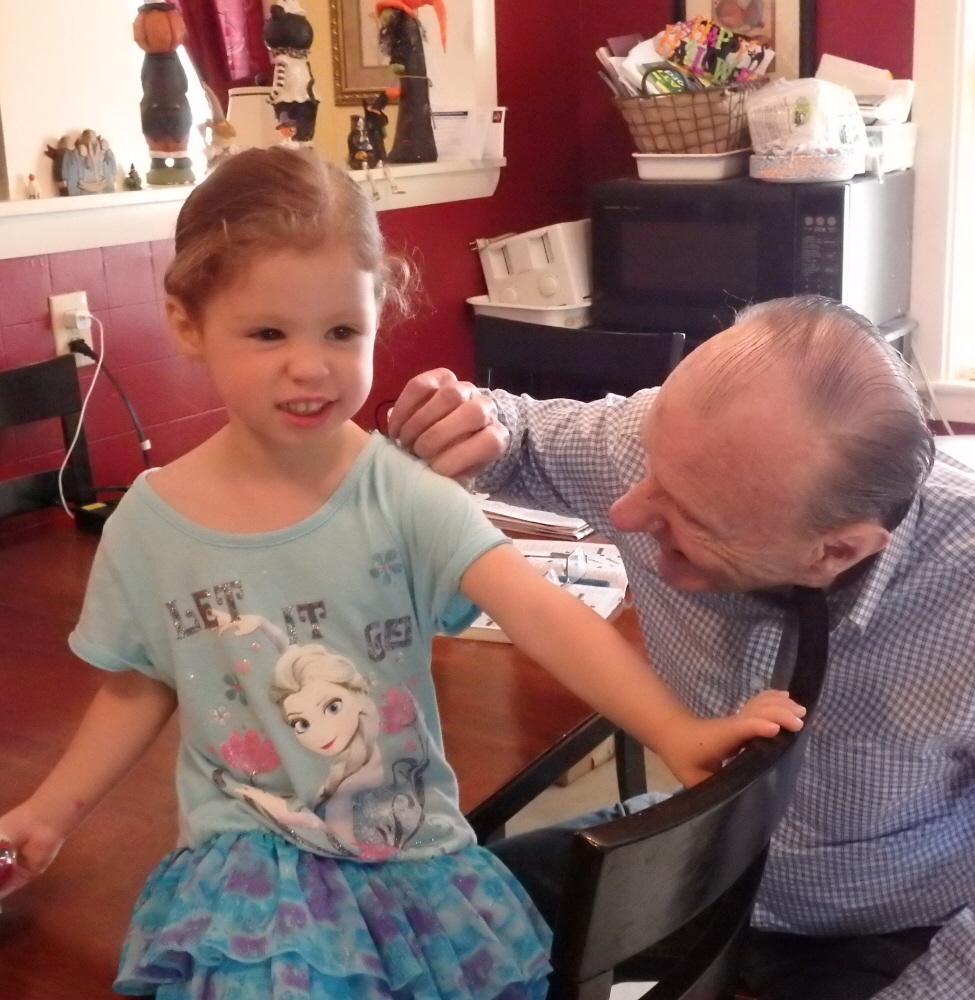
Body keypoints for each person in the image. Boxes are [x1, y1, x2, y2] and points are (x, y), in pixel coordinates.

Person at [0, 147, 805, 1000]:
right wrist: (50, 812)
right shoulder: (149, 525)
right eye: (268, 332)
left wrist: (675, 731)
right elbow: (142, 684)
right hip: (246, 872)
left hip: (408, 861)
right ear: (188, 323)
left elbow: (541, 612)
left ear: (377, 315)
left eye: (340, 332)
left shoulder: (405, 496)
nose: (310, 365)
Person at [387, 296, 975, 1000]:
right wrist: (472, 421)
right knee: (409, 928)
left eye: (690, 518)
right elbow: (519, 433)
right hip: (697, 849)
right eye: (650, 468)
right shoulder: (670, 444)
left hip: (876, 924)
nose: (625, 513)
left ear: (836, 551)